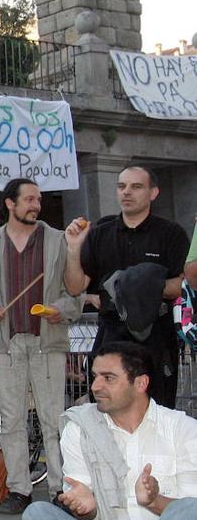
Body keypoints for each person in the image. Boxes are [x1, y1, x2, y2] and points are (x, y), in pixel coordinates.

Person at [21, 342, 197, 520]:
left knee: (192, 510)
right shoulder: (80, 428)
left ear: (140, 383)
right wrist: (85, 508)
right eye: (94, 377)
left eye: (108, 378)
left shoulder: (182, 428)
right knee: (36, 515)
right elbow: (86, 511)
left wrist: (155, 502)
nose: (95, 386)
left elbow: (190, 517)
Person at [0, 178, 82, 513]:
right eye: (29, 199)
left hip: (47, 342)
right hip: (7, 344)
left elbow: (76, 292)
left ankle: (60, 489)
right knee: (11, 419)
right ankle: (19, 489)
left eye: (38, 199)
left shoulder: (59, 240)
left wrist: (60, 310)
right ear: (10, 204)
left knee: (53, 419)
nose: (36, 205)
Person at [64, 165, 190, 407]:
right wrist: (73, 247)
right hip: (111, 332)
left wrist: (138, 287)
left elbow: (183, 284)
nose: (127, 192)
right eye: (121, 186)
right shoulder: (99, 234)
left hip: (156, 335)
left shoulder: (170, 233)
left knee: (156, 411)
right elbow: (74, 287)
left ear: (153, 192)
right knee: (105, 408)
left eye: (136, 186)